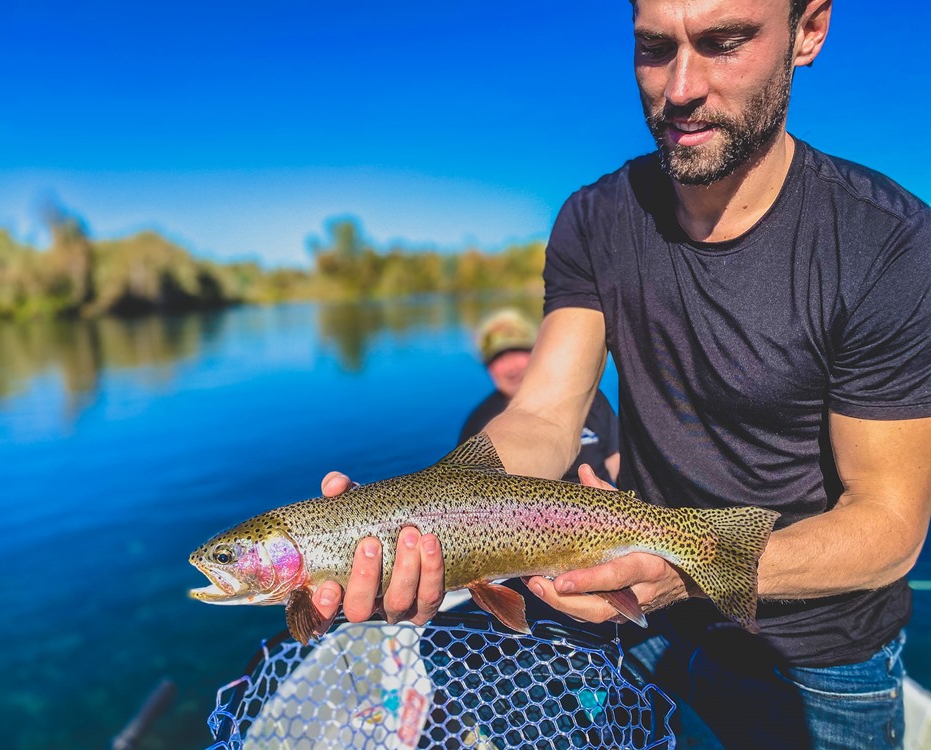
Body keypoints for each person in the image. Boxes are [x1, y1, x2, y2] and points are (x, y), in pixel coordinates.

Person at [313, 1, 931, 747]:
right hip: (642, 618)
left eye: (723, 42)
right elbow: (544, 418)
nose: (679, 88)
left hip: (820, 658)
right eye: (652, 47)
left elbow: (891, 527)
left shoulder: (886, 246)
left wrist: (687, 566)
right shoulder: (596, 218)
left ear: (808, 32)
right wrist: (431, 513)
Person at [459, 307, 620, 484]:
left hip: (604, 505)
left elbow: (616, 460)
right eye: (498, 357)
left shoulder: (591, 398)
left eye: (517, 350)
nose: (511, 367)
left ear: (540, 353)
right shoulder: (478, 426)